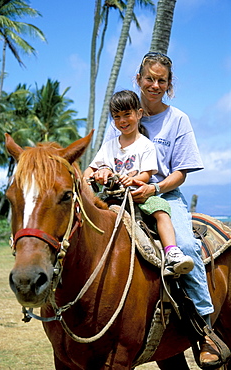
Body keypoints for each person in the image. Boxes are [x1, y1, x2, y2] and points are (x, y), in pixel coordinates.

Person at [85, 53, 221, 367]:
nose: (155, 85)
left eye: (162, 80)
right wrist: (102, 173)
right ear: (139, 79)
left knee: (185, 246)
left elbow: (181, 172)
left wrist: (154, 188)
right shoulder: (125, 114)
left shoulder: (178, 120)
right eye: (150, 79)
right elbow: (106, 158)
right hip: (122, 197)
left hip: (163, 195)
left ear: (169, 85)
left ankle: (205, 331)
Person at [86, 89, 194, 276]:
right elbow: (92, 169)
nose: (122, 121)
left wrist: (133, 180)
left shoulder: (145, 145)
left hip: (139, 196)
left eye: (127, 114)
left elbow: (146, 174)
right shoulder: (109, 146)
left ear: (139, 114)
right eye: (116, 116)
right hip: (112, 198)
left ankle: (172, 251)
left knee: (161, 209)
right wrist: (99, 174)